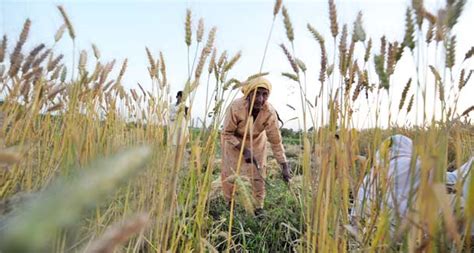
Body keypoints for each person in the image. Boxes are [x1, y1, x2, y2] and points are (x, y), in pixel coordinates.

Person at [353, 134, 473, 233]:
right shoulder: (413, 165)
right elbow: (449, 182)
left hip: (372, 233)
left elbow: (355, 216)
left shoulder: (370, 176)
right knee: (459, 203)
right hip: (408, 233)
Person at [220, 77, 291, 216]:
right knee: (230, 174)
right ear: (248, 95)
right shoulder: (236, 107)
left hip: (257, 143)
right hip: (233, 142)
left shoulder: (269, 111)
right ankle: (230, 205)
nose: (260, 99)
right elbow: (226, 133)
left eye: (265, 94)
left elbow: (276, 141)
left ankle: (258, 208)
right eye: (257, 94)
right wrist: (244, 150)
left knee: (258, 174)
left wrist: (284, 165)